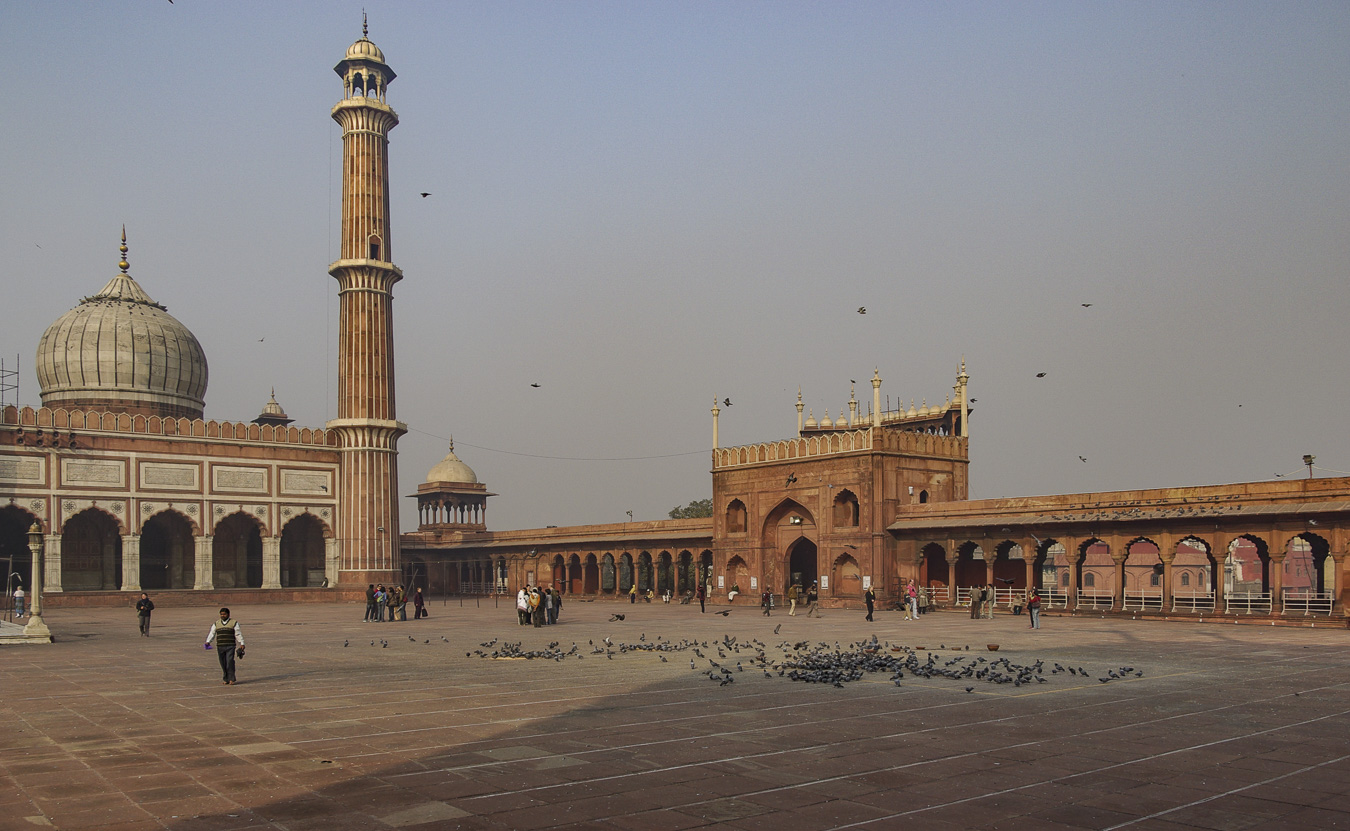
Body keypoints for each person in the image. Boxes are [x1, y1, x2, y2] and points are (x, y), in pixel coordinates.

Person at [205, 607, 244, 685]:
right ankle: (226, 679)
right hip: (220, 646)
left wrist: (242, 643)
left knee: (229, 662)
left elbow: (238, 633)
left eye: (224, 614)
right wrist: (208, 641)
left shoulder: (234, 623)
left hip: (230, 645)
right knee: (223, 663)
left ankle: (232, 679)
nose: (223, 615)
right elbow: (212, 633)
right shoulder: (216, 623)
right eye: (221, 614)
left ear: (228, 614)